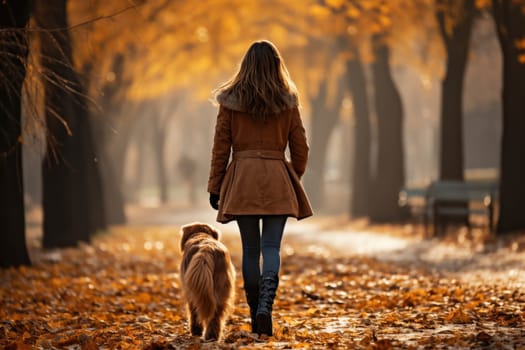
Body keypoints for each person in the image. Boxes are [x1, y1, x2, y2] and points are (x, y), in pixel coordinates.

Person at [207, 40, 312, 337]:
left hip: (242, 180)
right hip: (278, 176)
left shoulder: (229, 103)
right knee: (271, 248)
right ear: (277, 66)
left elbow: (220, 148)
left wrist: (216, 186)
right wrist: (291, 177)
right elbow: (301, 149)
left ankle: (255, 314)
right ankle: (267, 305)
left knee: (251, 250)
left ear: (245, 66)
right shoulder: (288, 102)